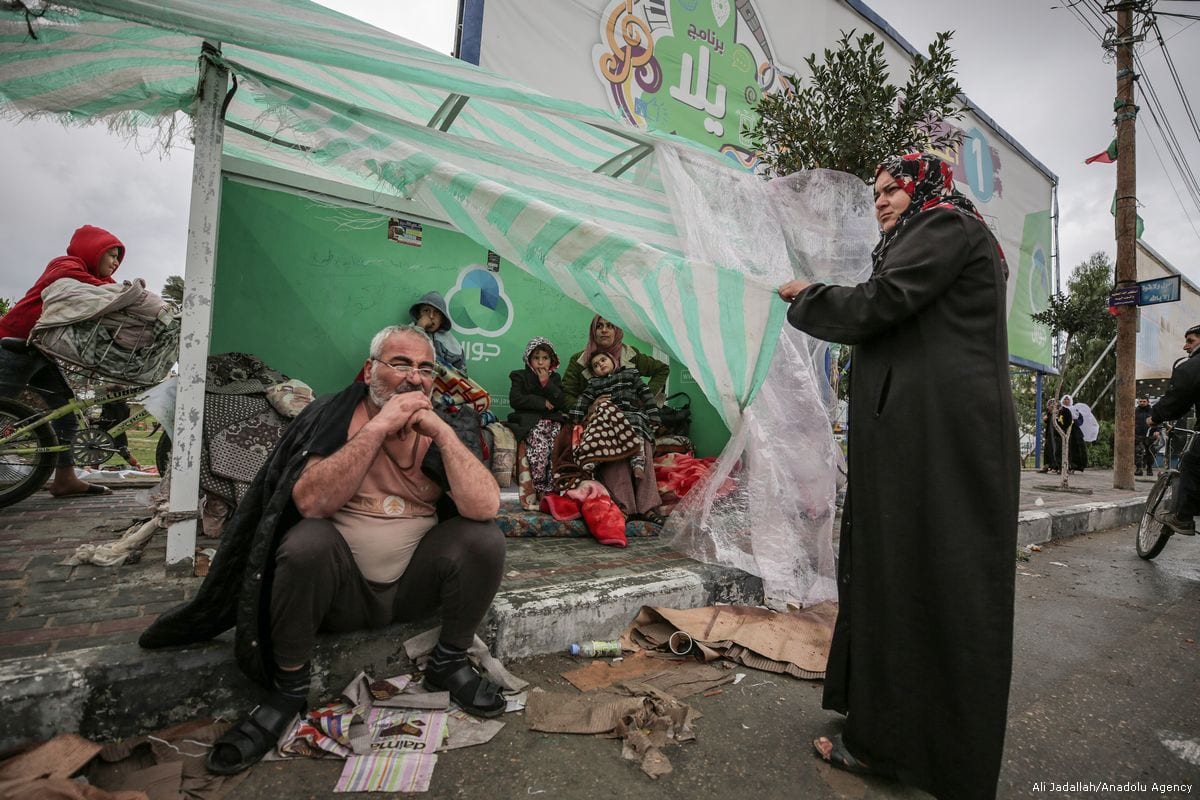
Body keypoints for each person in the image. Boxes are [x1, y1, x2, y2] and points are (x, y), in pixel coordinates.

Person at [139, 324, 506, 775]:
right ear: (371, 370)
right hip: (338, 594)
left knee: (483, 538)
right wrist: (381, 426)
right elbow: (310, 502)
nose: (414, 377)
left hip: (414, 588)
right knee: (307, 542)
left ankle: (448, 663)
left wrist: (445, 436)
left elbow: (485, 505)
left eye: (425, 368)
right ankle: (289, 690)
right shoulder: (332, 413)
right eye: (400, 364)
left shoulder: (446, 423)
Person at [778, 152, 1019, 800]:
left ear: (927, 188)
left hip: (940, 449)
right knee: (897, 579)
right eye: (877, 192)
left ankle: (908, 751)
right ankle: (888, 728)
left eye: (894, 189)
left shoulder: (946, 229)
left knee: (927, 586)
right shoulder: (929, 238)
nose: (882, 200)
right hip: (919, 446)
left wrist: (808, 298)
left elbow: (879, 306)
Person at [0, 224, 126, 497]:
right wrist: (124, 294)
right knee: (2, 410)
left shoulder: (94, 281)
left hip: (41, 352)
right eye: (111, 254)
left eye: (118, 257)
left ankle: (65, 479)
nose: (116, 262)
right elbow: (79, 283)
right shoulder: (66, 265)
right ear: (94, 251)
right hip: (12, 346)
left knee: (67, 413)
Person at [570, 351, 662, 480]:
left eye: (603, 360)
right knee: (598, 428)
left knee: (637, 425)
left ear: (613, 360)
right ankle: (593, 460)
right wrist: (576, 417)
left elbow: (646, 394)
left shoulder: (630, 374)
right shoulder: (595, 384)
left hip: (631, 414)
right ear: (594, 372)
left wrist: (654, 416)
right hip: (609, 417)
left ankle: (637, 464)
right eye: (596, 365)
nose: (600, 365)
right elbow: (583, 400)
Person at [1147, 324, 1200, 533]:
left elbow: (1178, 397)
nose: (1185, 346)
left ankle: (1183, 518)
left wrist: (1156, 417)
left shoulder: (1192, 366)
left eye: (1190, 341)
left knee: (1191, 463)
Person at [561, 315, 669, 411]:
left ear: (616, 331)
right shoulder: (579, 360)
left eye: (610, 326)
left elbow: (662, 369)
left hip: (631, 419)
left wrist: (644, 399)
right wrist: (588, 408)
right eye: (599, 326)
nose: (604, 330)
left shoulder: (630, 354)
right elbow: (566, 394)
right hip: (594, 421)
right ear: (593, 332)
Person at [507, 337, 567, 509]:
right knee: (540, 454)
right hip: (533, 423)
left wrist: (546, 383)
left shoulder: (555, 378)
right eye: (536, 358)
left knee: (554, 454)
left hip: (554, 423)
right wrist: (541, 403)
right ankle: (539, 489)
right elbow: (516, 399)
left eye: (545, 358)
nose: (541, 362)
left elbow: (560, 402)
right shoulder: (519, 376)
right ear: (529, 359)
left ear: (552, 360)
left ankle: (551, 493)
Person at [411, 291, 467, 375]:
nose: (431, 316)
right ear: (419, 315)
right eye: (426, 310)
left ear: (442, 319)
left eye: (436, 312)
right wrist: (420, 327)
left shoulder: (452, 344)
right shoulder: (406, 332)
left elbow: (461, 375)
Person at [1058, 394, 1089, 472]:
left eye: (1067, 399)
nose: (1066, 401)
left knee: (1076, 447)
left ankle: (1075, 466)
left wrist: (1074, 421)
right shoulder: (1060, 409)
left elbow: (1080, 420)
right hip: (1063, 430)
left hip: (1074, 430)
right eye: (1064, 399)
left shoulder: (1074, 409)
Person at [1039, 397, 1061, 473]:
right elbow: (1047, 422)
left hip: (1057, 436)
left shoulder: (1059, 413)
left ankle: (1058, 467)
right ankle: (1047, 466)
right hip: (1049, 436)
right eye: (1050, 405)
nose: (1051, 406)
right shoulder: (1048, 414)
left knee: (1057, 450)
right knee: (1048, 450)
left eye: (1053, 405)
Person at [1134, 396, 1155, 476]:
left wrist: (1157, 432)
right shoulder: (1135, 411)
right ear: (1138, 402)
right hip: (1138, 434)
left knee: (1150, 452)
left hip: (1150, 435)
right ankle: (1139, 469)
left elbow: (1158, 421)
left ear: (1147, 402)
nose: (1142, 403)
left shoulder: (1152, 411)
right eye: (1140, 401)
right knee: (1138, 452)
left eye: (1144, 401)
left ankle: (1149, 469)